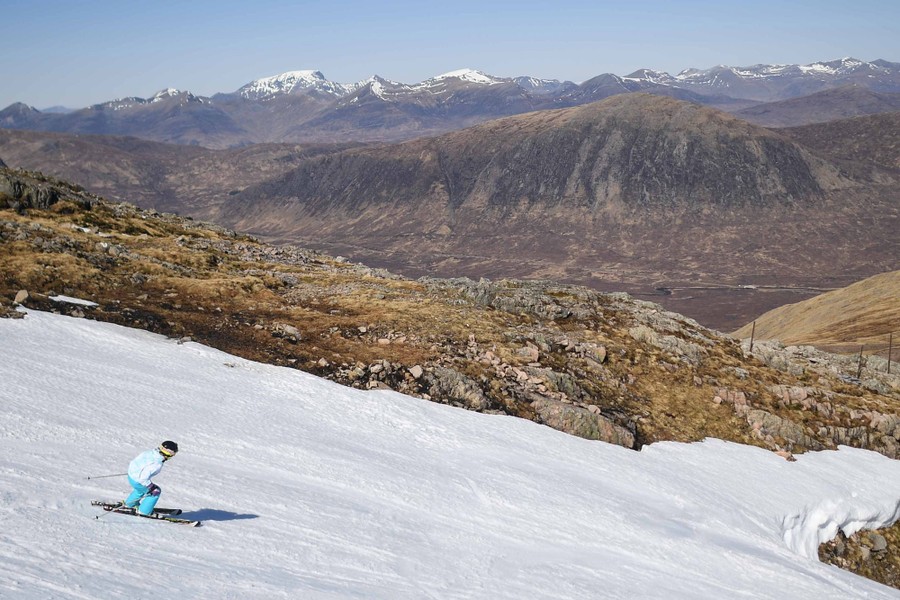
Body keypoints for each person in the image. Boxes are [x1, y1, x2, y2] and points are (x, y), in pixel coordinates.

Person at [123, 441, 178, 516]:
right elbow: (143, 478)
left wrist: (134, 472)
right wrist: (151, 487)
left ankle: (130, 504)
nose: (172, 456)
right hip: (138, 480)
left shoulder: (150, 453)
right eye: (173, 454)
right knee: (155, 492)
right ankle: (144, 511)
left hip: (132, 475)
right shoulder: (157, 463)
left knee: (140, 490)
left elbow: (136, 462)